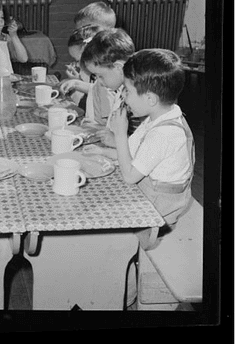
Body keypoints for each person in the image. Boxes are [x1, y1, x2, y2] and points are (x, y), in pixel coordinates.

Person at [86, 49, 194, 232]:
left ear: (150, 98)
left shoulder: (163, 134)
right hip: (148, 189)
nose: (124, 97)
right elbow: (132, 153)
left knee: (94, 208)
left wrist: (120, 134)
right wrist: (103, 152)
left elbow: (129, 176)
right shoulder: (160, 115)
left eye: (127, 91)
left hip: (158, 208)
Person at [78, 28, 136, 145]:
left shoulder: (138, 99)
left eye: (100, 76)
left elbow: (144, 145)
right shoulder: (122, 90)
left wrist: (116, 141)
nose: (99, 82)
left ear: (119, 68)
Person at [58, 24, 102, 107]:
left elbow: (100, 91)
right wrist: (77, 79)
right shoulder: (91, 71)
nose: (77, 64)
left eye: (78, 60)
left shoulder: (104, 74)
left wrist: (76, 83)